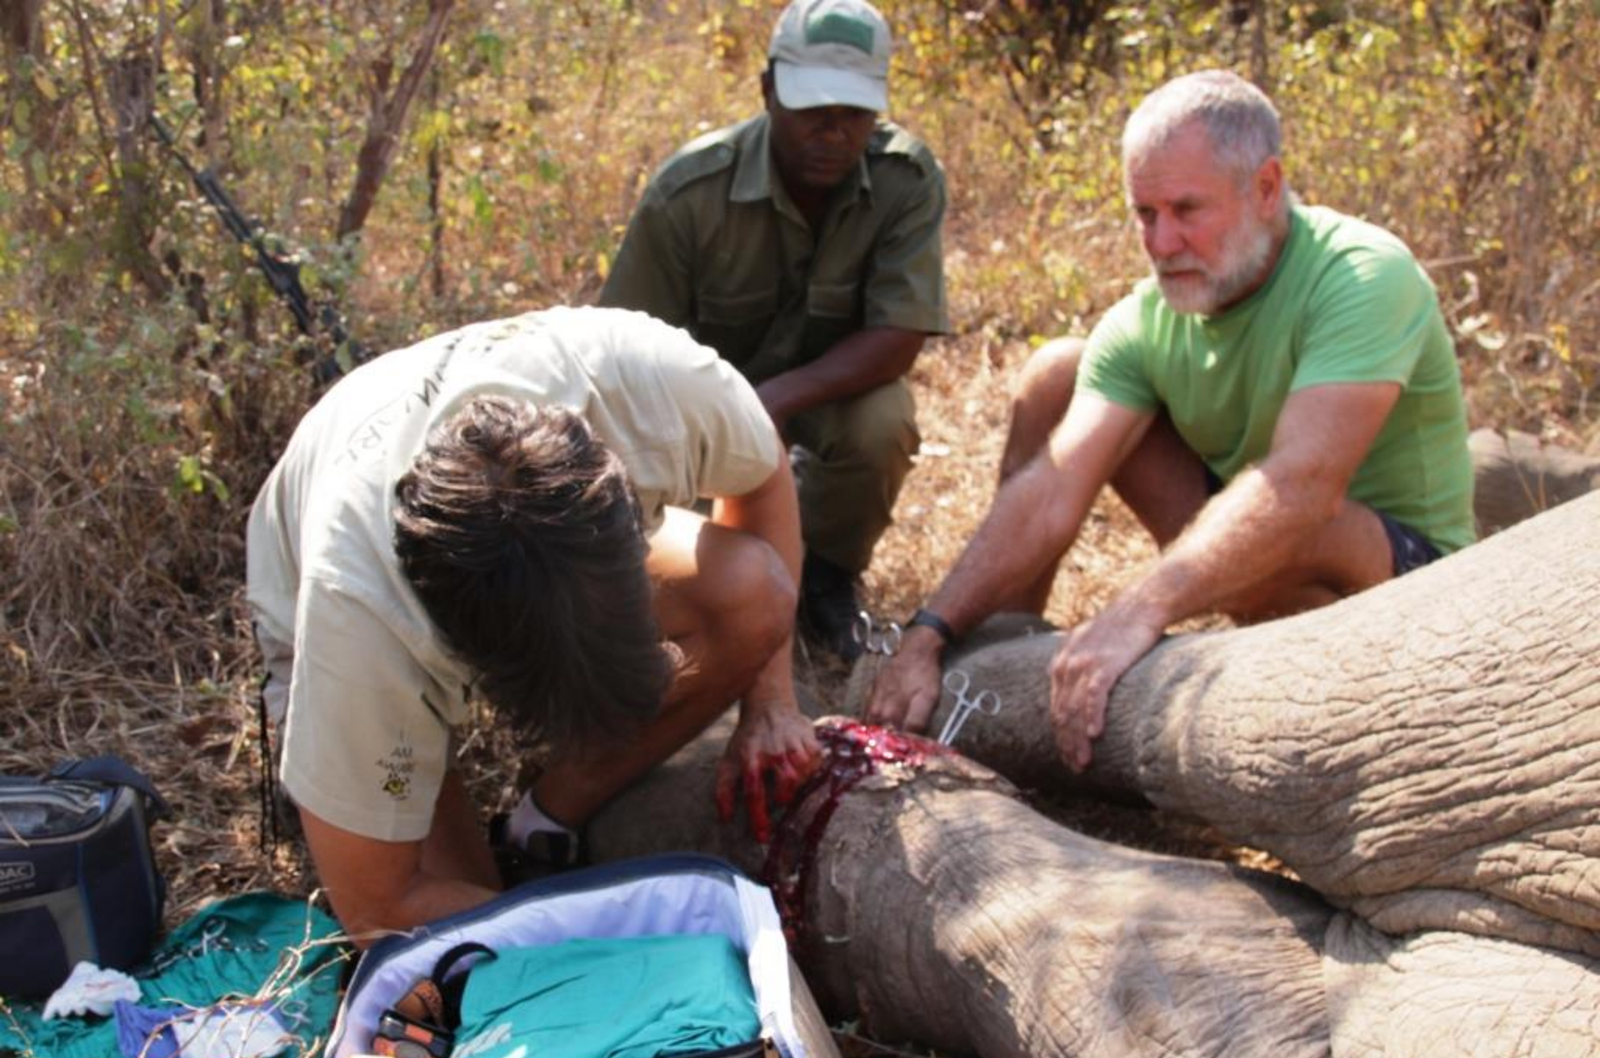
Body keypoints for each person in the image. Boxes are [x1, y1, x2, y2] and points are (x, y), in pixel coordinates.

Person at [866, 69, 1474, 771]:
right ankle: (1008, 647)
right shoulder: (1143, 319)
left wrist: (1137, 608)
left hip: (1410, 585)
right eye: (1145, 214)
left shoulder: (1362, 273)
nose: (1162, 241)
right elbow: (1053, 487)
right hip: (1257, 569)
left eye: (1187, 209)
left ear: (1267, 188)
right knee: (1061, 375)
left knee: (1301, 514)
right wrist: (929, 632)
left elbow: (1305, 487)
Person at [247, 306, 820, 943]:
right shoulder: (359, 618)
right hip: (341, 568)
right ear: (470, 661)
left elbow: (764, 469)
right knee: (457, 929)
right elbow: (378, 908)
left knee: (752, 596)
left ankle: (543, 822)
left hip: (525, 520)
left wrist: (770, 701)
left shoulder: (648, 385)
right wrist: (621, 939)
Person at [599, 0, 948, 661]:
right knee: (696, 584)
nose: (834, 131)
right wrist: (728, 420)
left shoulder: (906, 180)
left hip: (819, 395)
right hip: (693, 414)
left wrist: (777, 399)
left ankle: (826, 581)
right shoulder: (691, 193)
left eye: (854, 113)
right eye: (813, 109)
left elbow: (900, 334)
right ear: (768, 91)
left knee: (884, 422)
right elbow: (622, 355)